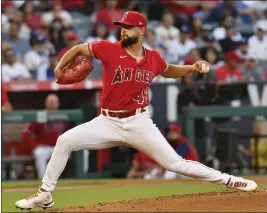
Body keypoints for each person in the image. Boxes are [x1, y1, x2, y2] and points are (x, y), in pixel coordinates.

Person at [15, 11, 257, 211]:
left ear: (141, 30)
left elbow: (169, 69)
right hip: (107, 121)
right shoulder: (109, 49)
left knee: (175, 163)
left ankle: (229, 180)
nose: (123, 30)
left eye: (128, 27)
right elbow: (79, 49)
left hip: (138, 122)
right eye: (122, 26)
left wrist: (192, 67)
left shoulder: (152, 58)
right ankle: (45, 195)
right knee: (65, 140)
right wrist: (59, 68)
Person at [22, 94, 71, 179]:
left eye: (54, 102)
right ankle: (43, 180)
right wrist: (35, 145)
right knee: (39, 153)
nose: (52, 105)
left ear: (58, 104)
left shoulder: (63, 116)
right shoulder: (40, 115)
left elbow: (70, 134)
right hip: (44, 147)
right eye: (50, 102)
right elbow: (26, 133)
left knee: (81, 150)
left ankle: (78, 179)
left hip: (59, 147)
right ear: (46, 103)